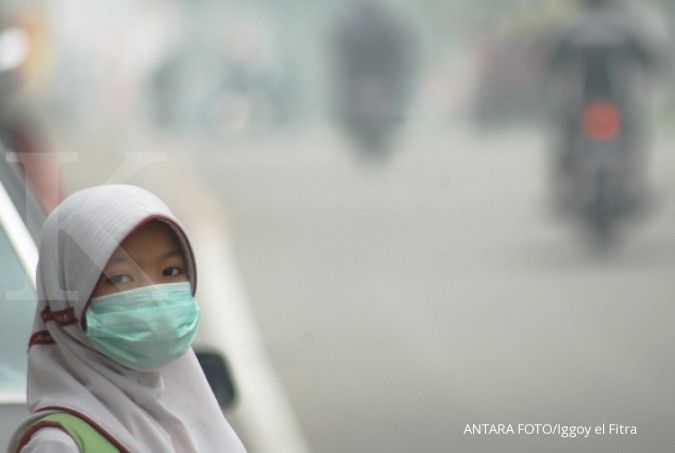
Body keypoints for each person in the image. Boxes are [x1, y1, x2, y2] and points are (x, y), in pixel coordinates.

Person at [8, 185, 247, 452]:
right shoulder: (59, 444)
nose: (154, 295)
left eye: (170, 271)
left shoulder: (192, 423)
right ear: (67, 302)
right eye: (119, 279)